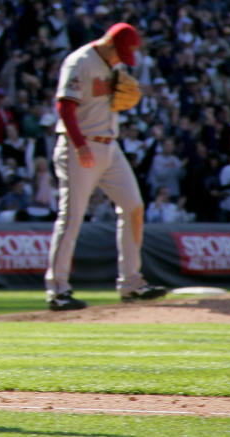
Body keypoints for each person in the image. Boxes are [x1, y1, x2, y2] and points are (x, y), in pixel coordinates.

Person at [44, 23, 166, 311]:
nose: (121, 60)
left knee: (134, 206)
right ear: (109, 43)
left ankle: (131, 284)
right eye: (119, 53)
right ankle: (58, 291)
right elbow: (64, 106)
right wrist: (80, 145)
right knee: (71, 217)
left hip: (110, 146)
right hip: (80, 146)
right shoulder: (80, 62)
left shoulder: (112, 66)